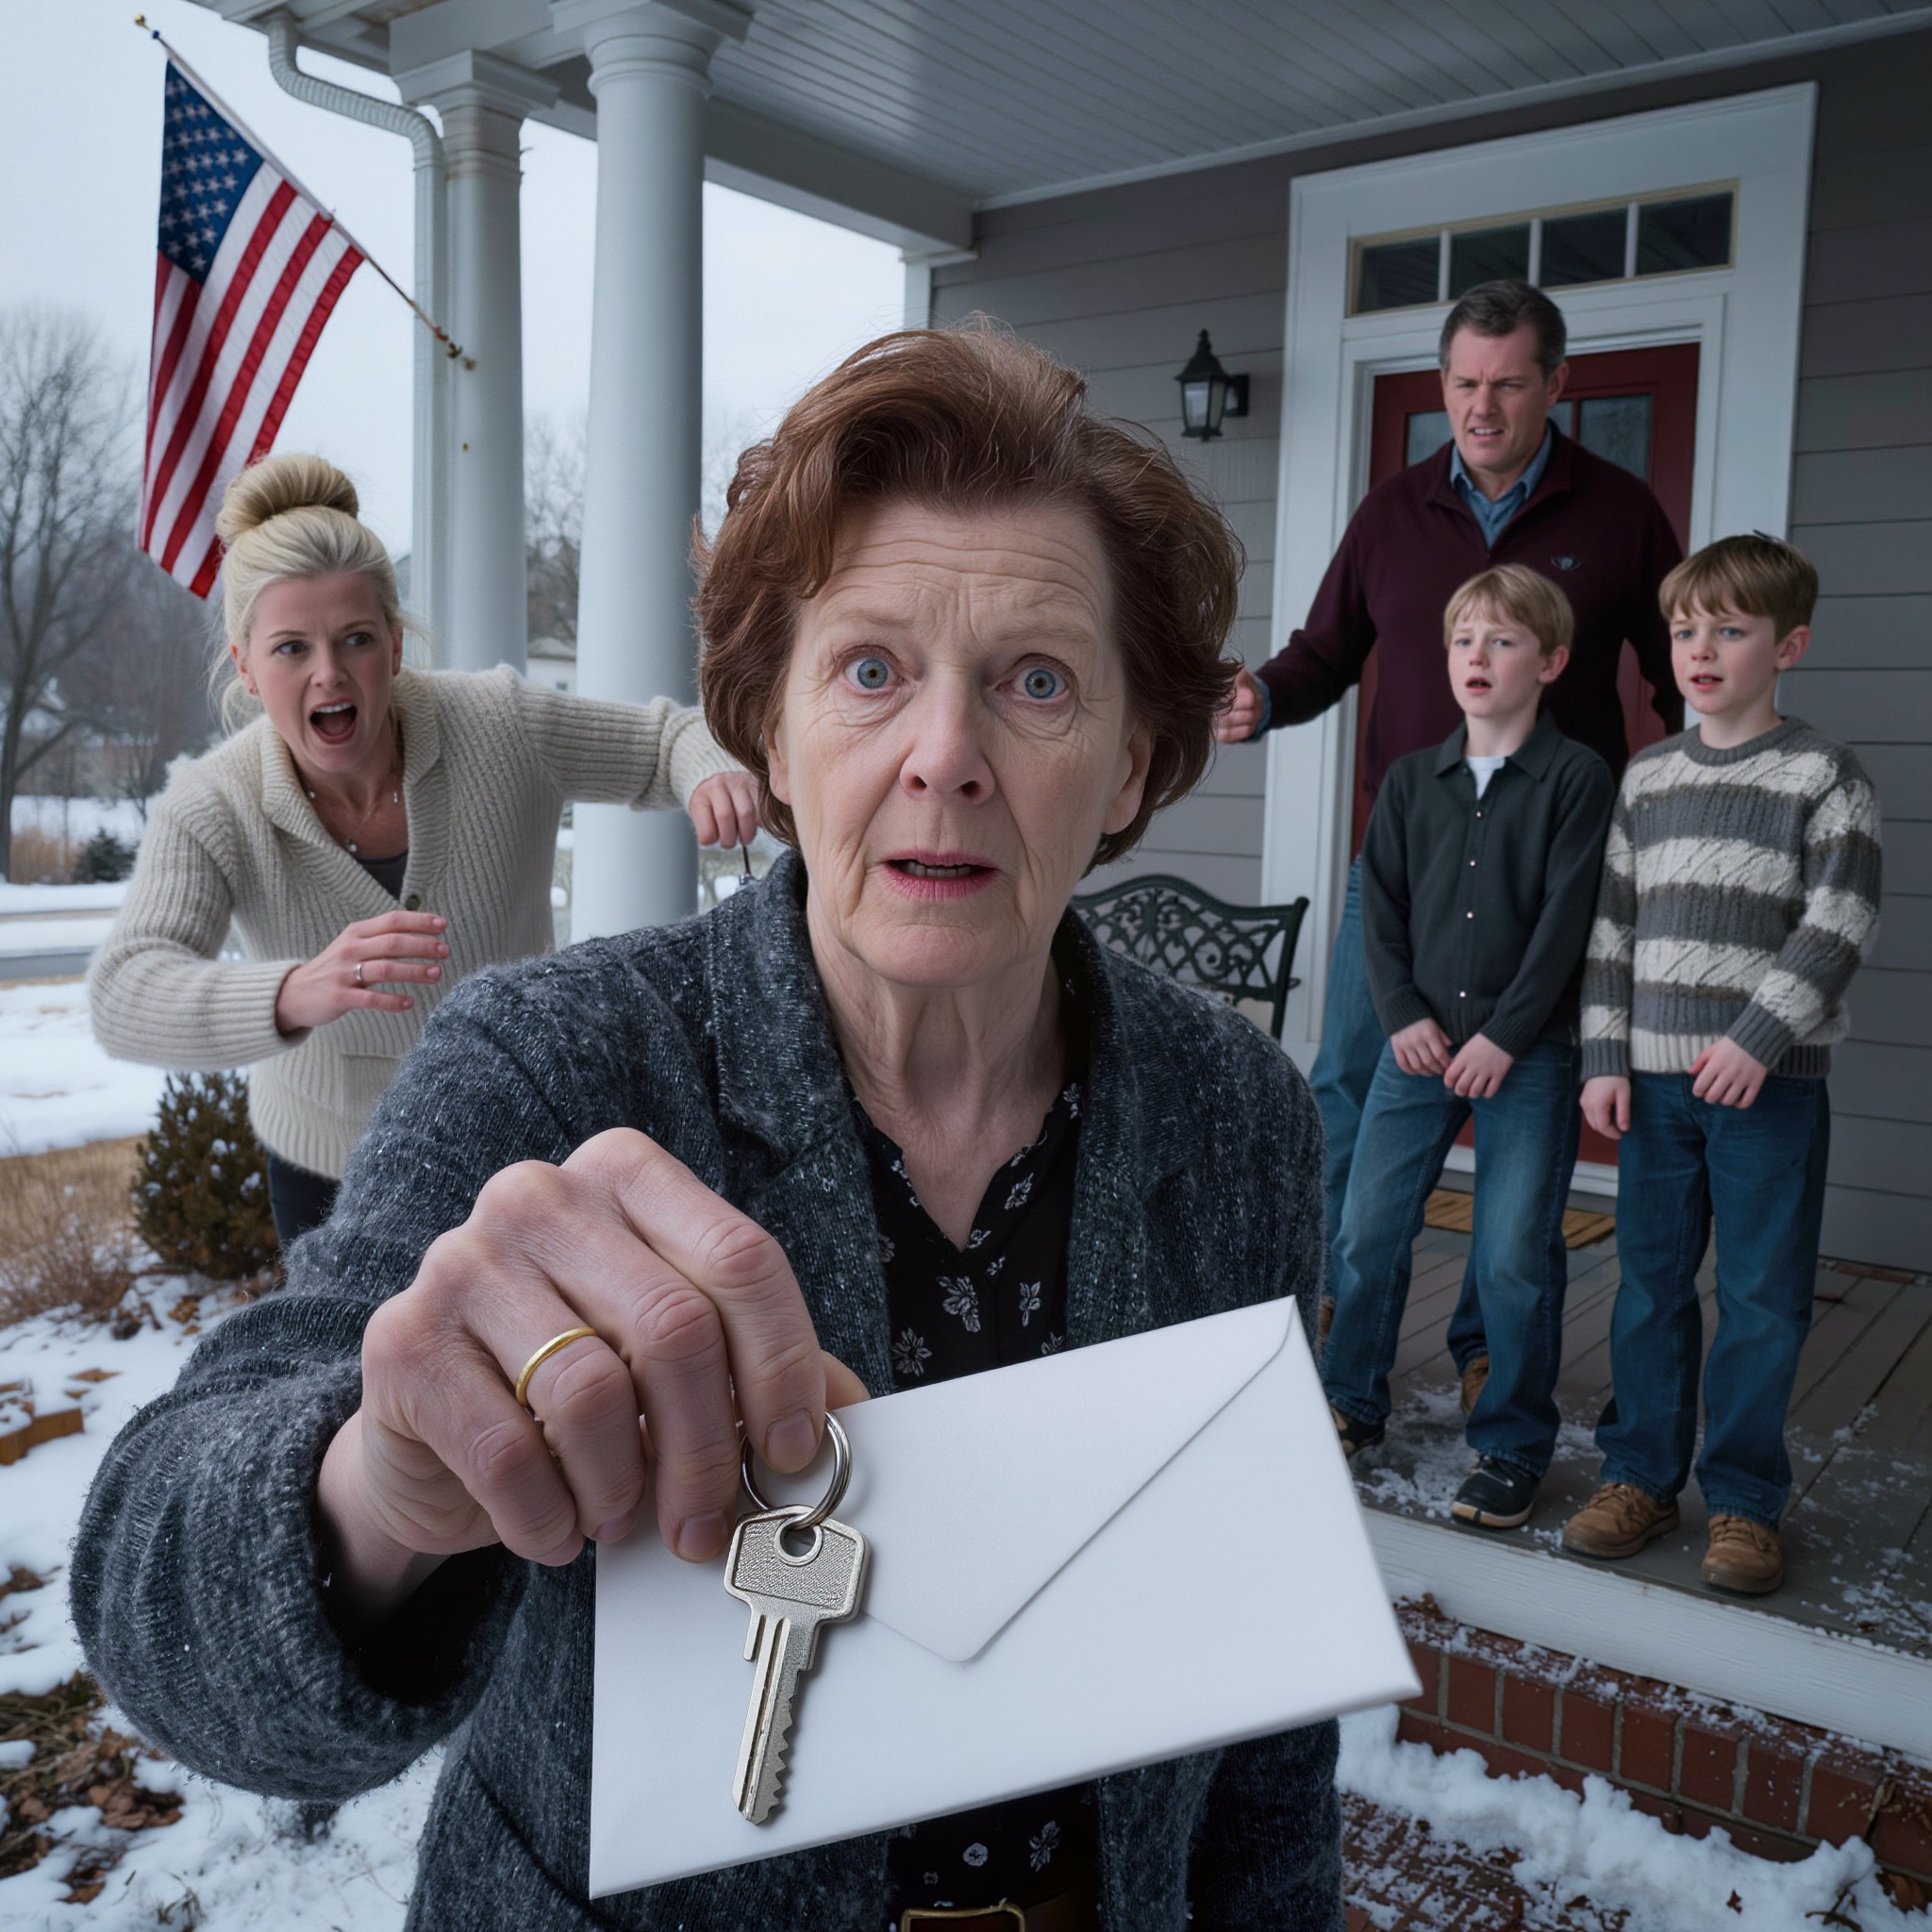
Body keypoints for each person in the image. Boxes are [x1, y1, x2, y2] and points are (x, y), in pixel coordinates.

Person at [72, 327, 1342, 1930]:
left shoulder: (1237, 1117)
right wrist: (376, 1488)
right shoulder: (556, 1068)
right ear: (770, 733)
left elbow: (1261, 1710)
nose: (944, 758)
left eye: (1036, 681)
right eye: (870, 670)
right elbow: (155, 1598)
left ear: (1133, 763)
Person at [88, 454, 758, 1247]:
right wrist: (298, 991)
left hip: (528, 1146)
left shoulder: (501, 725)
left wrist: (709, 769)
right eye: (292, 648)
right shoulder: (212, 804)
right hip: (335, 1176)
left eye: (356, 639)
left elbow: (668, 738)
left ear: (396, 646)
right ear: (245, 666)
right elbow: (123, 994)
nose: (329, 674)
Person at [1216, 280, 1682, 1407]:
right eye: (1463, 383)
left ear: (1553, 384)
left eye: (1507, 384)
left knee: (1517, 1123)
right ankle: (1331, 1321)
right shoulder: (1391, 512)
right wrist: (1261, 698)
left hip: (1548, 877)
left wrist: (1692, 808)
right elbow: (1323, 650)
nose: (1481, 407)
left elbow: (1679, 675)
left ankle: (1484, 1346)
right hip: (1402, 870)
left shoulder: (1617, 511)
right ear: (1442, 383)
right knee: (1350, 1087)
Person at [1562, 535, 1882, 1596]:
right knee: (1650, 1286)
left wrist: (1756, 1037)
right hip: (1653, 1089)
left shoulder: (1823, 776)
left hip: (1767, 1088)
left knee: (1760, 1296)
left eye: (1729, 630)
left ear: (1787, 646)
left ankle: (1743, 1500)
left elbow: (1838, 921)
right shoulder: (1648, 777)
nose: (1699, 650)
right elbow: (1612, 928)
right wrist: (1603, 1055)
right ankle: (1638, 1476)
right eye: (1683, 630)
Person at [1321, 565, 1612, 1530]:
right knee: (1367, 1229)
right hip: (1415, 1047)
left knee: (1512, 1254)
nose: (1475, 657)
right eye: (1462, 640)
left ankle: (1510, 1445)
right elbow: (1380, 912)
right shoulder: (1412, 781)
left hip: (1526, 1054)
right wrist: (1401, 1013)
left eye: (1501, 640)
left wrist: (1503, 1034)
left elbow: (1565, 925)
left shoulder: (1575, 780)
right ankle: (1351, 1400)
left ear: (1550, 661)